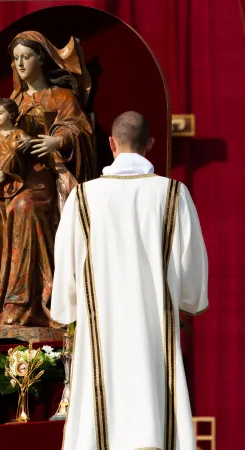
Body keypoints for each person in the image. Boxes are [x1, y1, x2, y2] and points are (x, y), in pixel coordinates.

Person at [51, 111, 208, 449]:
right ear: (150, 144)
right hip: (155, 338)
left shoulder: (82, 199)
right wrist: (186, 298)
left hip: (100, 336)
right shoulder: (173, 195)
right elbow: (193, 283)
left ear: (111, 144)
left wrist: (70, 307)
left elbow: (65, 275)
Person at [0, 31, 94, 332]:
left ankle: (23, 302)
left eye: (26, 56)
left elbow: (82, 131)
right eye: (16, 58)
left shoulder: (62, 97)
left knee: (24, 208)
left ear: (40, 58)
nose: (20, 63)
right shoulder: (13, 102)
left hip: (44, 181)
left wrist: (57, 140)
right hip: (10, 183)